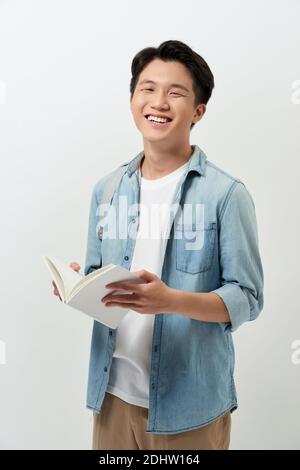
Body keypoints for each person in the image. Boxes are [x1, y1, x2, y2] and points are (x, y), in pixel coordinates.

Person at [53, 40, 264, 450]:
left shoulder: (226, 194)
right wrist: (79, 287)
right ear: (133, 99)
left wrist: (170, 300)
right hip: (111, 396)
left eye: (176, 92)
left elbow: (247, 298)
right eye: (147, 88)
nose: (159, 102)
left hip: (189, 407)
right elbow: (100, 277)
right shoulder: (108, 189)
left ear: (198, 111)